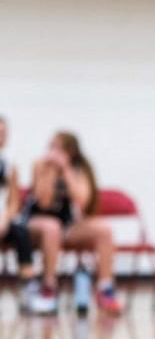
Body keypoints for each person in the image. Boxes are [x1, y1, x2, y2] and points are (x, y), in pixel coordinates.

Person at [22, 132, 123, 316]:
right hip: (36, 224)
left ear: (71, 152)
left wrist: (66, 170)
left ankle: (105, 288)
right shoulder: (40, 165)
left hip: (65, 226)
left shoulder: (78, 170)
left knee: (104, 229)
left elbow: (82, 201)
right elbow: (44, 201)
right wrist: (51, 171)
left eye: (58, 148)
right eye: (51, 146)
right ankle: (48, 286)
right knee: (52, 227)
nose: (53, 152)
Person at [0, 117, 46, 314]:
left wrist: (4, 219)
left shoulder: (9, 167)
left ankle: (29, 289)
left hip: (1, 222)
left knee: (21, 232)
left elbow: (13, 202)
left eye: (3, 134)